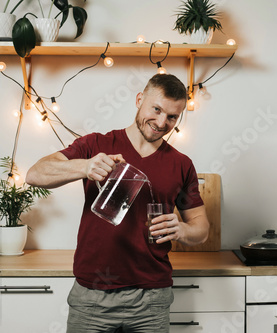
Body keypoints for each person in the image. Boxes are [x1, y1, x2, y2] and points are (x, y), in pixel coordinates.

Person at [26, 74, 209, 333]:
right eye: (156, 109)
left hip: (152, 298)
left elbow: (201, 228)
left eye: (172, 117)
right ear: (139, 100)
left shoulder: (181, 164)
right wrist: (85, 166)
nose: (161, 122)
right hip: (92, 297)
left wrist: (183, 230)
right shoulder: (96, 145)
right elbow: (35, 174)